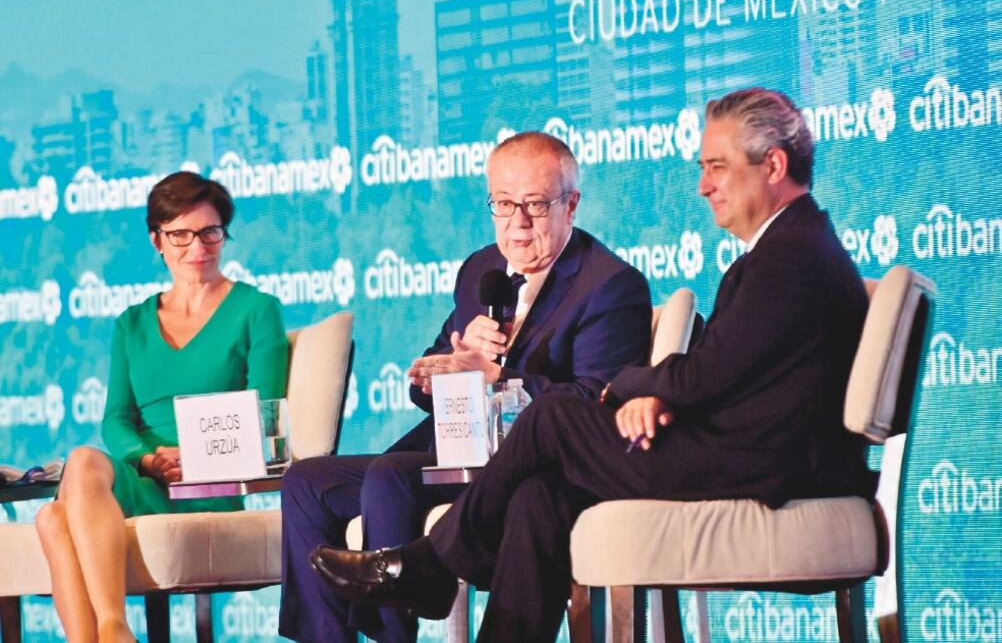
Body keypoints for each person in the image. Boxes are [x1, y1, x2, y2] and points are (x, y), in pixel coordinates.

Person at [309, 88, 877, 642]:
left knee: (552, 416)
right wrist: (659, 396)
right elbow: (725, 371)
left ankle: (431, 563)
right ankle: (448, 583)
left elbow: (705, 377)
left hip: (765, 464)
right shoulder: (787, 247)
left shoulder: (790, 256)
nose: (704, 186)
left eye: (717, 167)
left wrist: (632, 386)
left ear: (773, 165)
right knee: (540, 498)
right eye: (704, 168)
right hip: (744, 448)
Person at [279, 131, 651, 643]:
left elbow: (594, 403)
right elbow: (434, 373)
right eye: (504, 203)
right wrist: (441, 371)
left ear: (571, 205)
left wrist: (498, 378)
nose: (518, 222)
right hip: (449, 449)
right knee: (307, 484)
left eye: (536, 205)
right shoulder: (482, 268)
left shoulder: (608, 285)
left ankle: (395, 633)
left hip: (522, 470)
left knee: (389, 476)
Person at [34, 172, 289, 643]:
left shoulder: (257, 310)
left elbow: (264, 414)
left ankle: (110, 629)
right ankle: (113, 631)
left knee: (54, 517)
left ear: (224, 234)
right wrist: (149, 460)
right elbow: (116, 419)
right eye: (181, 235)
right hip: (145, 478)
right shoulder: (131, 324)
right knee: (81, 466)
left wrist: (196, 456)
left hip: (209, 483)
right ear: (158, 240)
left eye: (210, 232)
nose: (198, 247)